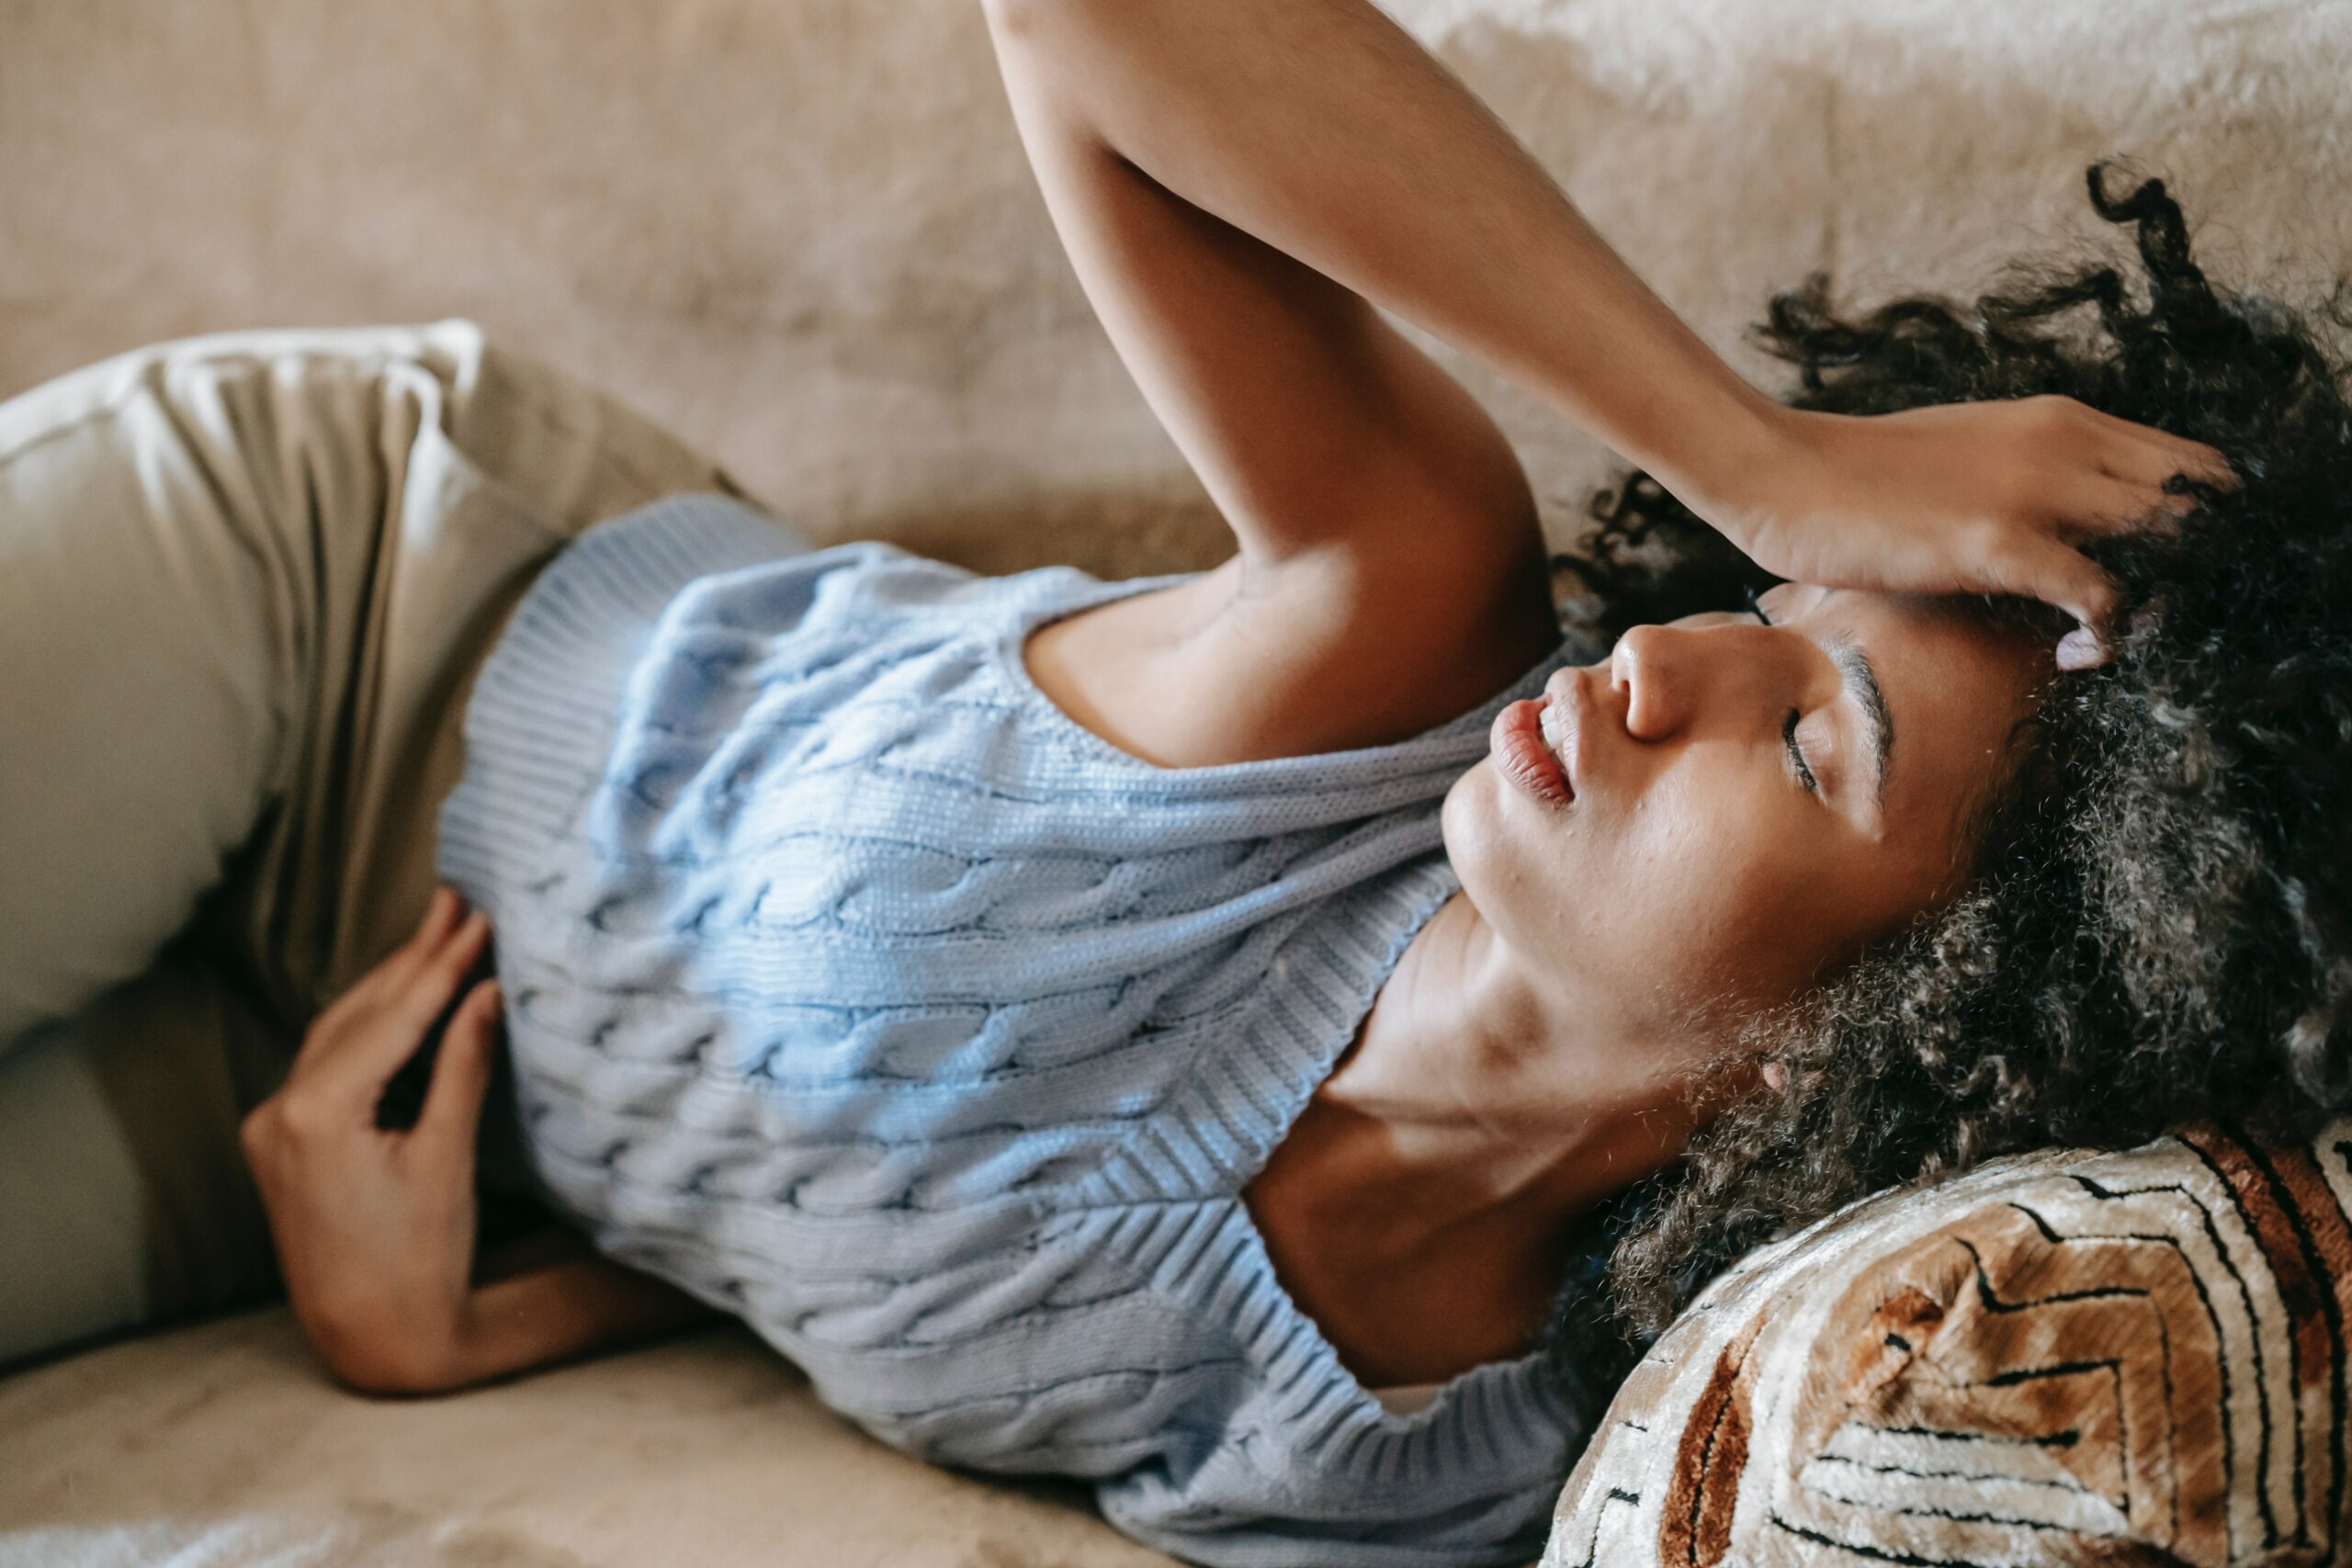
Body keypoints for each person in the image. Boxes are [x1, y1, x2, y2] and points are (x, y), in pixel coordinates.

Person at [3, 4, 2342, 1567]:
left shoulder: (1450, 1464)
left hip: (341, 1090)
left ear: (1912, 1036)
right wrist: (1757, 454)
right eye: (1778, 588)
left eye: (1815, 734)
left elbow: (903, 1219)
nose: (1675, 657)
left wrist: (461, 1331)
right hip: (343, 626)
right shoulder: (1398, 630)